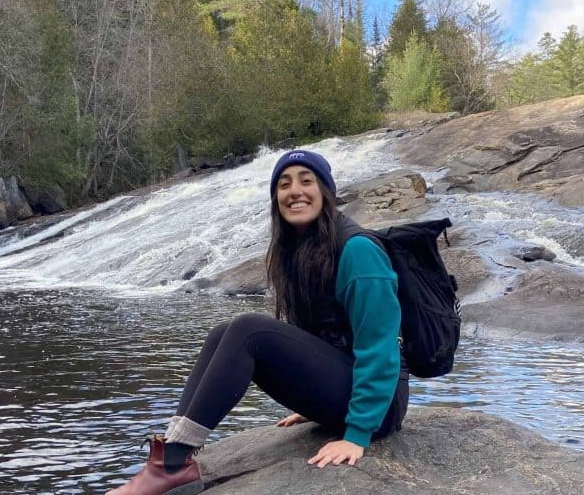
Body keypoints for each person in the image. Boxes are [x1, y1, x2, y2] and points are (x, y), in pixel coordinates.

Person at [107, 150, 408, 495]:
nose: (295, 191)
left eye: (306, 181)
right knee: (222, 332)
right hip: (345, 387)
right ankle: (171, 451)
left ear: (326, 191)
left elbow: (380, 348)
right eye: (284, 184)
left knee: (249, 330)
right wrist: (312, 399)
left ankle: (173, 464)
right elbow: (313, 338)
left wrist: (357, 434)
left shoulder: (357, 250)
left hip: (382, 407)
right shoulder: (298, 248)